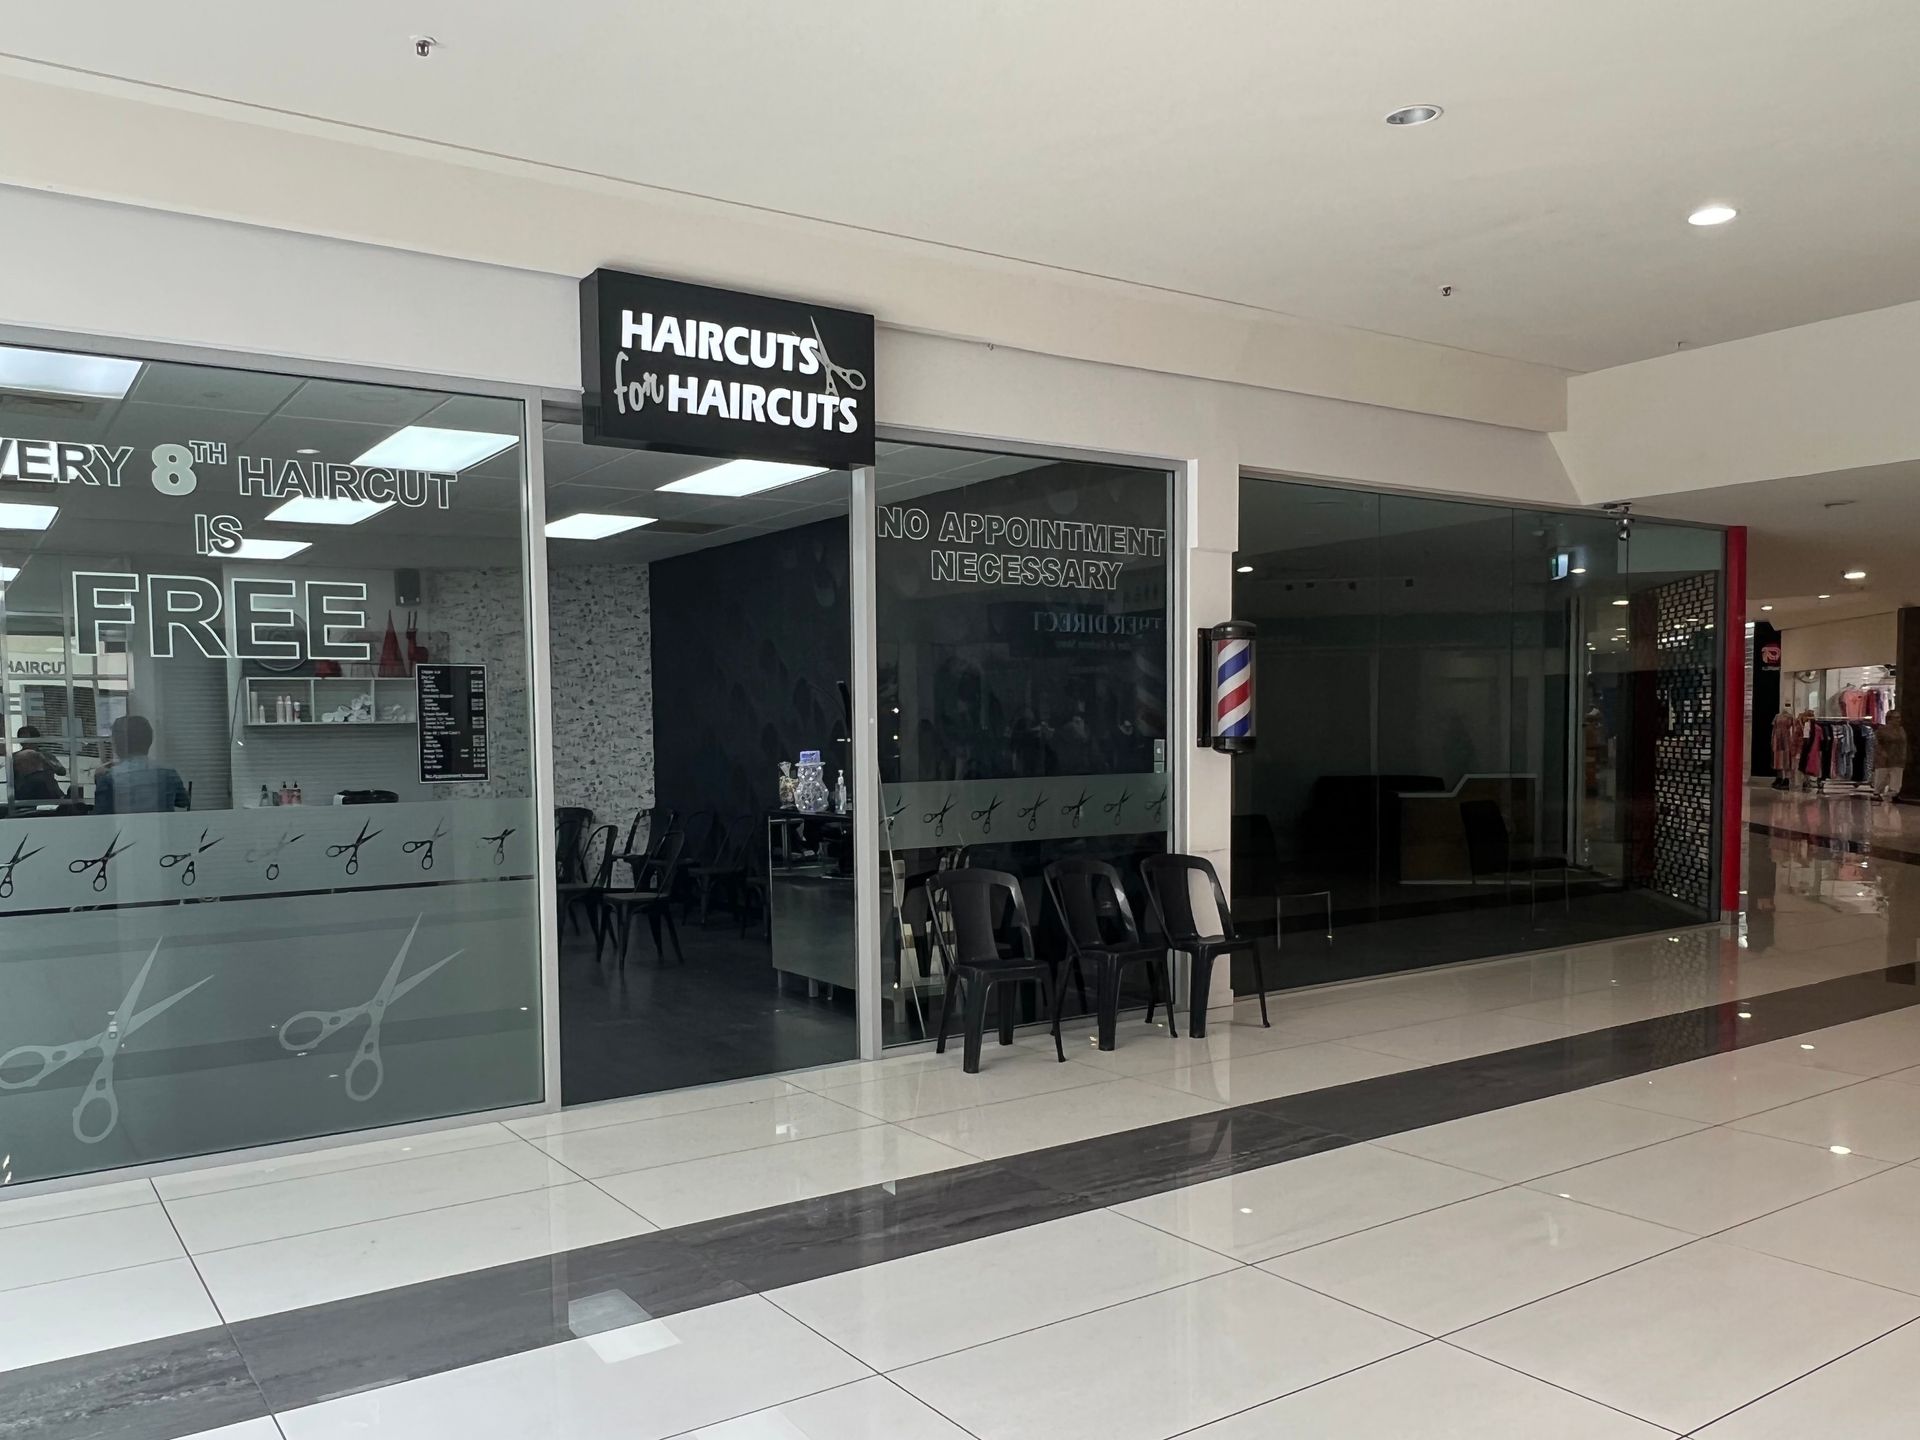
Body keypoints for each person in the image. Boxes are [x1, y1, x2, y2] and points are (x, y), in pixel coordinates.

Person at [94, 714, 188, 814]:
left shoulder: (109, 777)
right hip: (161, 824)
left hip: (126, 825)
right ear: (149, 741)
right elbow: (183, 802)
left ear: (118, 744)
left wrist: (99, 779)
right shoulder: (169, 773)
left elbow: (101, 815)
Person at [9, 724, 66, 800]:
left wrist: (45, 760)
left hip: (49, 794)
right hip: (25, 795)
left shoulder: (46, 755)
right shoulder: (15, 757)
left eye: (27, 738)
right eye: (21, 738)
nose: (24, 742)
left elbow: (62, 771)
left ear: (35, 739)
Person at [1872, 709, 1907, 805]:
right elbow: (1877, 744)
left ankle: (1894, 794)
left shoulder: (1901, 730)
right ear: (1889, 719)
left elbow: (1904, 744)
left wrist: (1904, 755)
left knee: (1896, 778)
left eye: (1899, 718)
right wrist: (1882, 753)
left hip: (1898, 758)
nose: (1898, 720)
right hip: (1884, 759)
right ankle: (1877, 793)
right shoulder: (1882, 730)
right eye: (1896, 718)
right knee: (1882, 777)